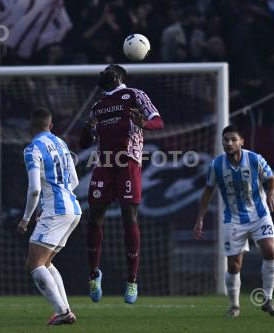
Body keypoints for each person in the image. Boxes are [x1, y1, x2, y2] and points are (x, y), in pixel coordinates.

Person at [80, 64, 164, 304]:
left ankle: (132, 281)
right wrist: (87, 127)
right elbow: (84, 142)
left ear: (117, 75)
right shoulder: (97, 106)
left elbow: (158, 122)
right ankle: (94, 274)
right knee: (94, 217)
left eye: (105, 70)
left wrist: (143, 123)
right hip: (104, 164)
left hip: (128, 162)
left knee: (130, 217)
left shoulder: (135, 95)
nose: (100, 73)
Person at [193, 125, 274, 317]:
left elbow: (272, 179)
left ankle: (268, 299)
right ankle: (234, 306)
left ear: (242, 141)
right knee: (234, 265)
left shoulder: (255, 159)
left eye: (233, 139)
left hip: (259, 214)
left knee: (270, 250)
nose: (229, 143)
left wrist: (271, 194)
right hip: (233, 218)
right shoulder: (216, 165)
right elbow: (208, 191)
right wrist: (200, 218)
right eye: (226, 140)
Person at [17, 107, 81, 325]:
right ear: (50, 125)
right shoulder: (62, 144)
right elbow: (75, 181)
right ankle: (64, 310)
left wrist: (26, 218)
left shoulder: (32, 149)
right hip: (73, 209)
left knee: (34, 264)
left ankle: (62, 312)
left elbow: (34, 188)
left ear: (30, 126)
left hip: (56, 210)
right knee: (46, 262)